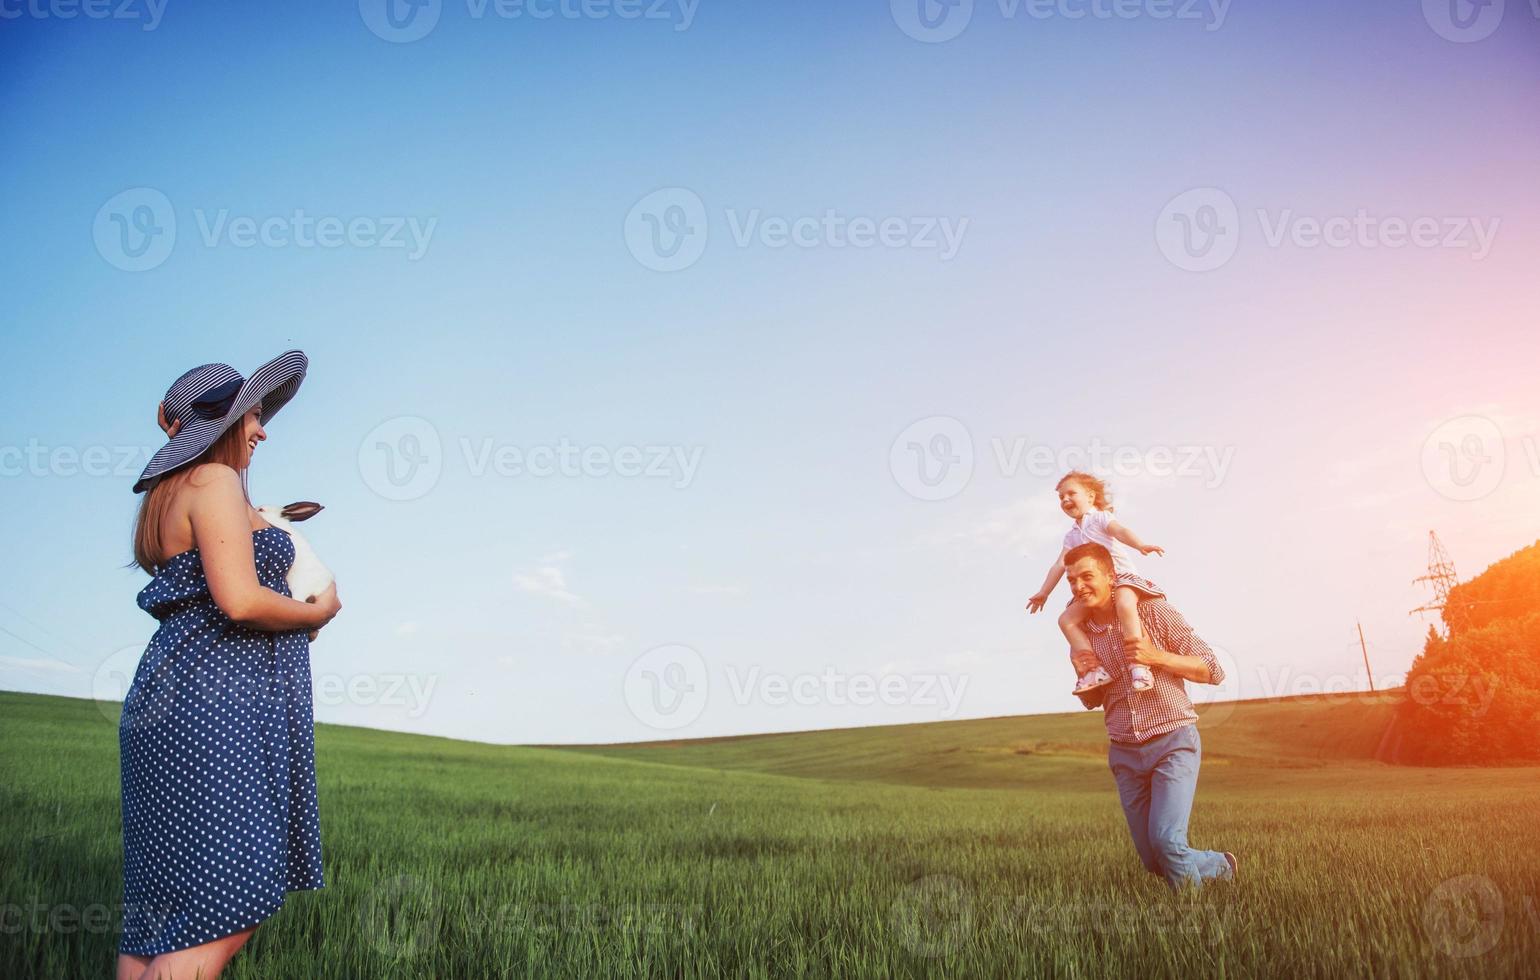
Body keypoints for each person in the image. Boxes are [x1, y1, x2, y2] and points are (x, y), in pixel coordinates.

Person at [117, 351, 341, 980]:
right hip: (219, 704)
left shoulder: (165, 497)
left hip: (172, 694)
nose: (262, 429)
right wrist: (317, 613)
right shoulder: (213, 484)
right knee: (229, 899)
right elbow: (239, 601)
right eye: (251, 417)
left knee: (158, 913)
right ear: (223, 425)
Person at [1063, 541, 1236, 889]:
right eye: (1071, 581)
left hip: (1172, 739)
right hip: (1124, 751)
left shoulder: (1154, 612)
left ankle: (1197, 925)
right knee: (1154, 860)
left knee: (1169, 844)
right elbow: (1092, 702)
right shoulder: (1081, 635)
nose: (1079, 586)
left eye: (1087, 577)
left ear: (1111, 576)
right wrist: (1083, 676)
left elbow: (1213, 670)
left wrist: (1156, 657)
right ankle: (1220, 865)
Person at [1027, 471, 1166, 695]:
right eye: (1061, 497)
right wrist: (1044, 593)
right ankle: (1094, 670)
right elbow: (1059, 565)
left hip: (1121, 578)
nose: (1065, 500)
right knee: (1066, 620)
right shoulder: (1071, 536)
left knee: (1124, 605)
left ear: (1091, 497)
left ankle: (1139, 665)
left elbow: (1120, 531)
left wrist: (1140, 545)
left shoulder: (1100, 518)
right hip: (1094, 590)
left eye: (1071, 493)